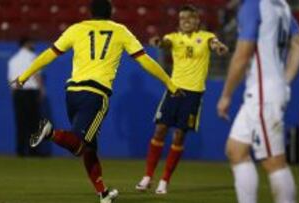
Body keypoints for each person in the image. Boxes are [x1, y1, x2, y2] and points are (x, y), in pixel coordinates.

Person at [10, 0, 181, 203]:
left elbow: (49, 54)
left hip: (72, 93)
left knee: (89, 148)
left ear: (90, 12)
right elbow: (145, 60)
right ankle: (50, 132)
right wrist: (169, 83)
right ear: (111, 12)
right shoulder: (120, 30)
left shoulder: (77, 29)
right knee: (80, 145)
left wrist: (23, 77)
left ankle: (104, 193)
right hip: (96, 95)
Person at [216, 0, 299, 202]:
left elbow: (242, 54)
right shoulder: (281, 5)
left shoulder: (253, 5)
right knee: (235, 150)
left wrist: (226, 94)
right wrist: (284, 80)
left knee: (274, 161)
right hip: (264, 91)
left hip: (263, 95)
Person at [136, 4, 228, 194]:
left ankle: (164, 181)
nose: (185, 21)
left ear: (197, 20)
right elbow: (165, 43)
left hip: (194, 94)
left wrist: (218, 47)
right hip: (174, 90)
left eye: (189, 18)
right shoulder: (173, 38)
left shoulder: (206, 37)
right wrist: (158, 42)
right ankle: (147, 177)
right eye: (182, 18)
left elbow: (214, 43)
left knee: (179, 135)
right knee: (160, 130)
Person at [8, 37, 45, 157]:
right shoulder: (33, 57)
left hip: (18, 93)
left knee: (20, 123)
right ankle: (34, 152)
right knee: (34, 124)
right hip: (31, 93)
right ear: (27, 44)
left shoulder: (13, 60)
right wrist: (41, 90)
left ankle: (20, 151)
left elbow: (12, 81)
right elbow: (36, 74)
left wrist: (14, 94)